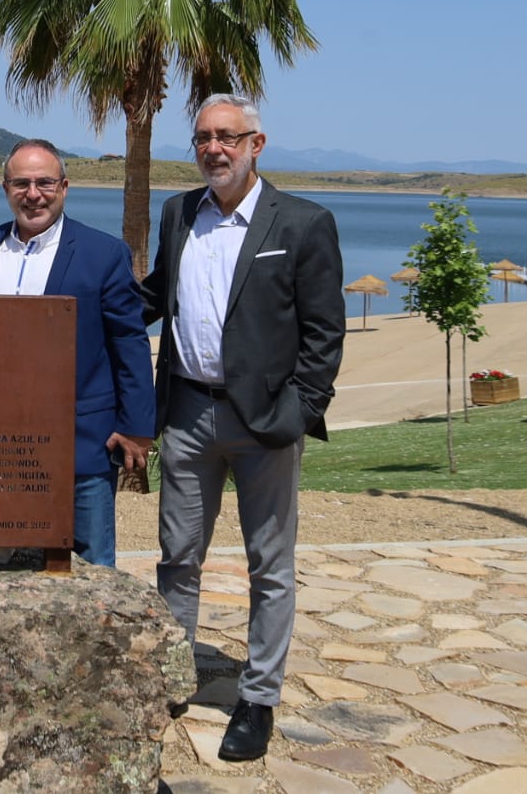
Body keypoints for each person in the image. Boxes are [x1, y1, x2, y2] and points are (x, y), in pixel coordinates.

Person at [143, 93, 344, 763]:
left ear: (257, 143)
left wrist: (299, 410)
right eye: (203, 137)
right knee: (178, 555)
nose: (214, 149)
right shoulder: (178, 214)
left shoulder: (305, 222)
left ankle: (257, 696)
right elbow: (152, 294)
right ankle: (171, 678)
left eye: (228, 136)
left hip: (265, 423)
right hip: (187, 411)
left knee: (271, 565)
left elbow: (323, 333)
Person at [0, 139, 154, 567]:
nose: (33, 194)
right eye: (21, 183)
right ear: (5, 188)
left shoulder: (103, 254)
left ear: (65, 187)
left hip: (82, 444)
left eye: (44, 183)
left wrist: (136, 426)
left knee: (91, 565)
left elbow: (129, 343)